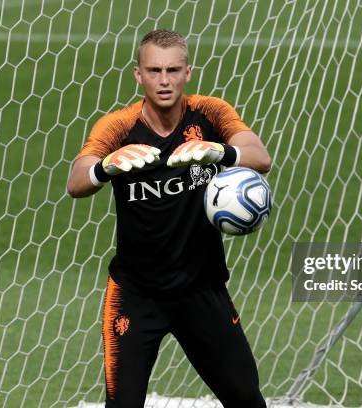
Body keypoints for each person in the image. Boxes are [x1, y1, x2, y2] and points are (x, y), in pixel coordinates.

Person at [66, 29, 271, 408]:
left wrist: (220, 152)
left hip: (202, 289)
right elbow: (76, 181)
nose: (164, 80)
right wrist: (104, 168)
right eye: (155, 70)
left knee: (246, 398)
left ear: (188, 72)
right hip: (135, 294)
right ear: (138, 75)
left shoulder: (210, 113)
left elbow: (260, 157)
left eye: (173, 70)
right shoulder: (119, 127)